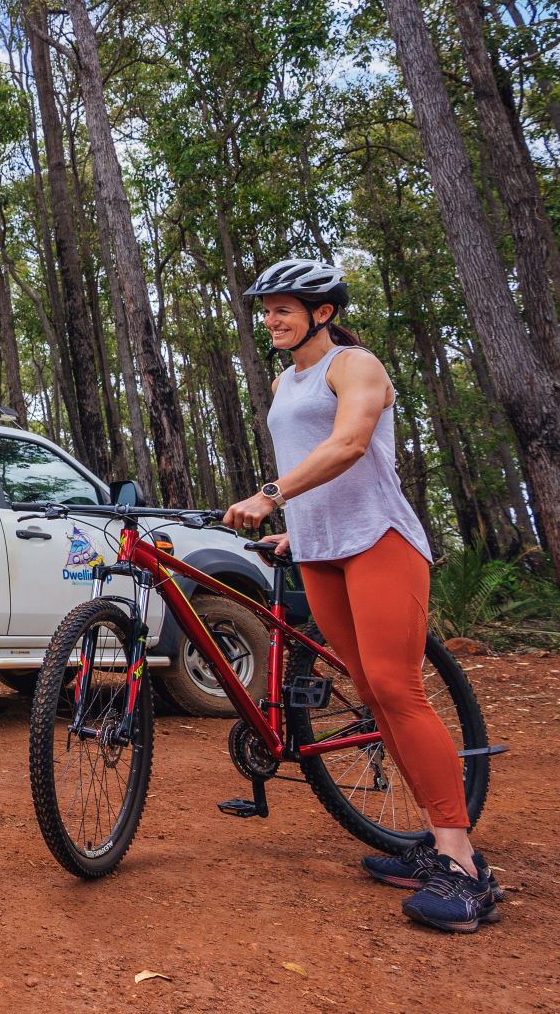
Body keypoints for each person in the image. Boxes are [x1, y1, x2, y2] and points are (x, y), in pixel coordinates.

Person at [223, 258, 498, 933]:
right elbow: (310, 463)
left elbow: (348, 445)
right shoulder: (286, 383)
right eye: (266, 310)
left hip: (378, 540)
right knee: (371, 696)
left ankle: (464, 865)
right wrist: (296, 528)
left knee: (396, 688)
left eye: (285, 308)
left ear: (322, 310)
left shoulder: (356, 365)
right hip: (320, 550)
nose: (272, 320)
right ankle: (432, 845)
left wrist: (269, 497)